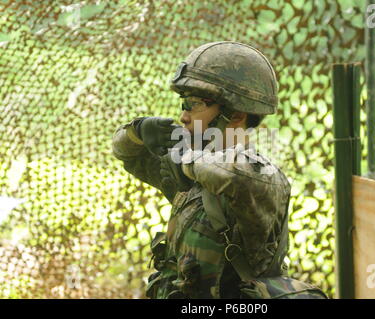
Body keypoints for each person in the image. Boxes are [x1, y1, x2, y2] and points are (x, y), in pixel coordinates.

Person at [112, 41, 326, 299]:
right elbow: (127, 154)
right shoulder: (194, 165)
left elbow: (235, 175)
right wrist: (137, 130)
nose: (184, 116)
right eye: (184, 103)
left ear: (235, 114)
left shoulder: (260, 176)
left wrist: (186, 162)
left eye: (195, 104)